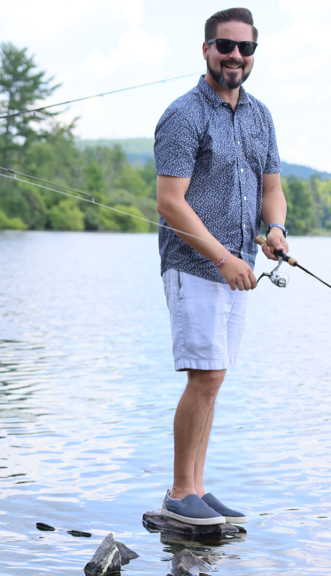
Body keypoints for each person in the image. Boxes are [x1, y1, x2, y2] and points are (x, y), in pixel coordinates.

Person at [154, 7, 287, 526]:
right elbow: (170, 202)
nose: (235, 56)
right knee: (204, 375)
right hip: (194, 266)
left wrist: (274, 229)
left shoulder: (261, 116)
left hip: (242, 266)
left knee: (215, 377)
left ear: (253, 55)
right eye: (225, 46)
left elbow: (272, 189)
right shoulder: (183, 114)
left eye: (245, 48)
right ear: (206, 48)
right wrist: (225, 257)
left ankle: (197, 489)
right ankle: (178, 492)